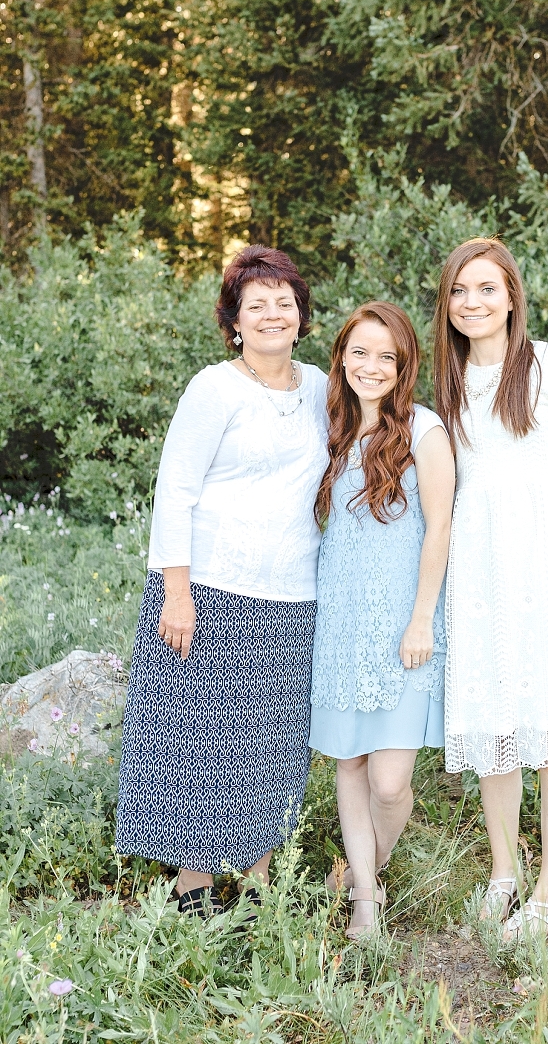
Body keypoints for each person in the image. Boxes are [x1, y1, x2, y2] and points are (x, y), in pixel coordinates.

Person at [115, 244, 329, 917]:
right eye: (255, 304)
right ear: (234, 320)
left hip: (292, 591)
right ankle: (194, 887)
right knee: (199, 737)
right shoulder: (215, 388)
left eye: (284, 303)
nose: (272, 314)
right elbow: (174, 490)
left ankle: (261, 882)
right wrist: (177, 593)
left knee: (272, 739)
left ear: (301, 317)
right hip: (206, 587)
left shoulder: (324, 386)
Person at [434, 237, 548, 941]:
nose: (472, 302)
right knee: (495, 733)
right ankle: (503, 874)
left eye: (486, 288)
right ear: (446, 305)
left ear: (512, 294)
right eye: (459, 291)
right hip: (479, 577)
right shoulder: (447, 384)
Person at [309, 302, 455, 939]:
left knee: (391, 781)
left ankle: (371, 865)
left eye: (386, 357)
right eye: (360, 353)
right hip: (341, 622)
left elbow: (440, 529)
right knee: (350, 763)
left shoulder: (424, 431)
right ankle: (366, 895)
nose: (372, 367)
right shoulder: (332, 429)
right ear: (342, 357)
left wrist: (421, 619)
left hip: (403, 625)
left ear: (404, 366)